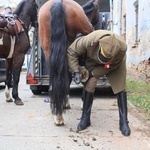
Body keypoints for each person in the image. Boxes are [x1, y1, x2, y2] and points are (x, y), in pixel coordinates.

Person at [67, 30, 131, 136]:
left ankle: (124, 122)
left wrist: (92, 73)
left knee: (120, 87)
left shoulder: (122, 48)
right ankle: (85, 119)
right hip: (93, 59)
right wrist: (76, 71)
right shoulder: (90, 40)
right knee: (90, 84)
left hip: (114, 64)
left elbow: (112, 66)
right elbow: (71, 51)